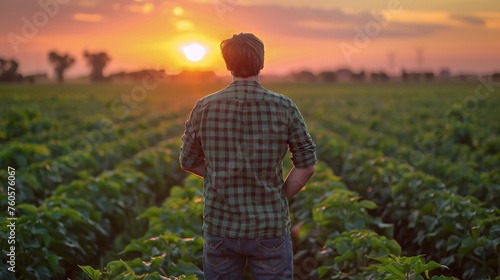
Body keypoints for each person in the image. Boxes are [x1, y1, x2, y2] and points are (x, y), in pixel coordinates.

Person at [179, 32, 316, 280]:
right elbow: (306, 165)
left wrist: (220, 173)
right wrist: (278, 196)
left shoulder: (205, 106)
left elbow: (187, 160)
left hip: (221, 228)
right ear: (261, 62)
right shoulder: (283, 106)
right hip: (269, 227)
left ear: (228, 64)